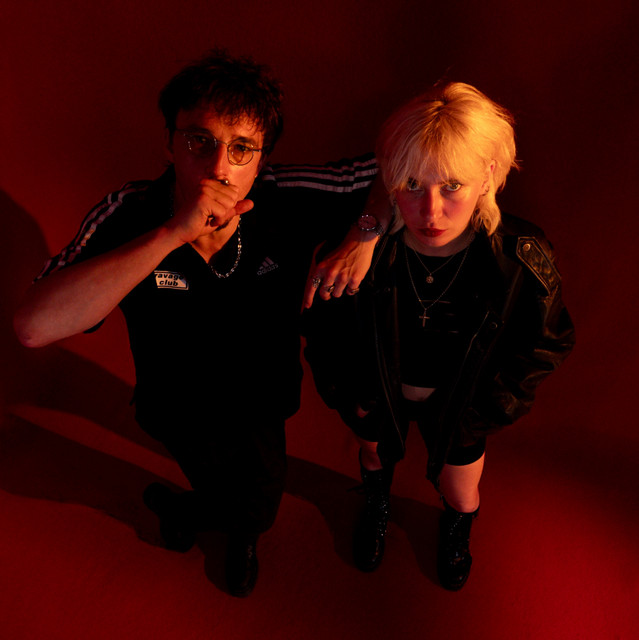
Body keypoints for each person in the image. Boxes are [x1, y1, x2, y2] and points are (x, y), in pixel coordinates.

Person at [13, 49, 378, 597]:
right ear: (169, 143)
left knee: (259, 503)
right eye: (199, 141)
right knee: (211, 479)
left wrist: (365, 234)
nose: (219, 167)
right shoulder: (130, 211)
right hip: (174, 406)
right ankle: (202, 510)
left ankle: (222, 527)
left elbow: (405, 167)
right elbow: (33, 326)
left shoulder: (287, 196)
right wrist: (172, 234)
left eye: (241, 148)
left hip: (260, 401)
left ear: (262, 159)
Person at [303, 82, 575, 590]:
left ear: (486, 176)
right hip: (377, 394)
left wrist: (484, 411)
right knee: (374, 456)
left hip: (462, 405)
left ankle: (456, 529)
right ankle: (377, 503)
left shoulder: (519, 257)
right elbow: (322, 328)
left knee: (461, 490)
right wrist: (347, 392)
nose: (431, 212)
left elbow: (547, 342)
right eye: (411, 185)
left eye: (451, 186)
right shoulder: (359, 248)